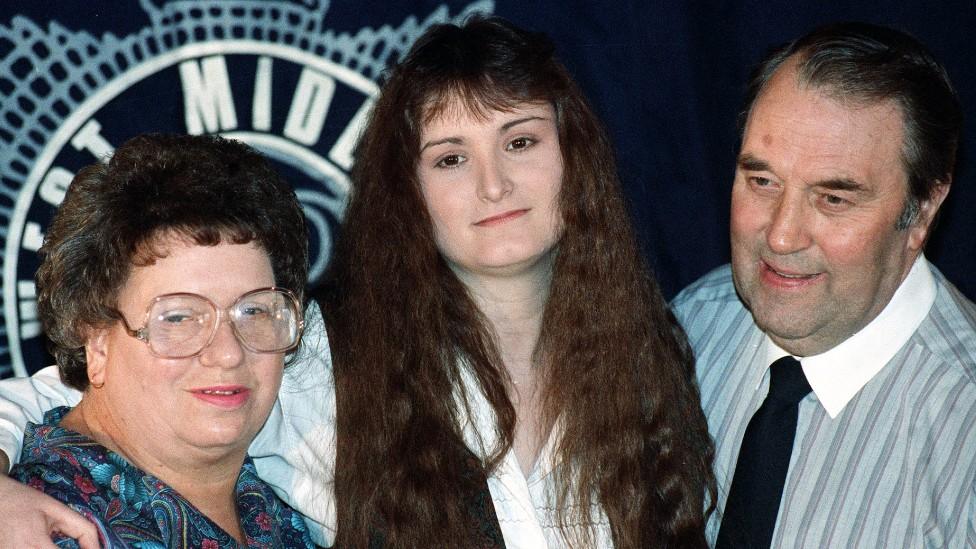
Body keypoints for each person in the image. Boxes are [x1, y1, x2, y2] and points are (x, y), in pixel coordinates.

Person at [0, 16, 715, 548]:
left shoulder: (656, 348)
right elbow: (86, 386)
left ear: (575, 157)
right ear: (406, 191)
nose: (495, 185)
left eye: (521, 142)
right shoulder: (320, 353)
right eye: (450, 158)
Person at [672, 22, 976, 547]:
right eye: (762, 182)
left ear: (922, 209)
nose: (782, 236)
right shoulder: (690, 327)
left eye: (833, 198)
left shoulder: (962, 429)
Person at [4, 133, 315, 548]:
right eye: (180, 317)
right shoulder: (46, 529)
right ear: (95, 340)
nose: (227, 352)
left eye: (254, 311)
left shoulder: (278, 500)